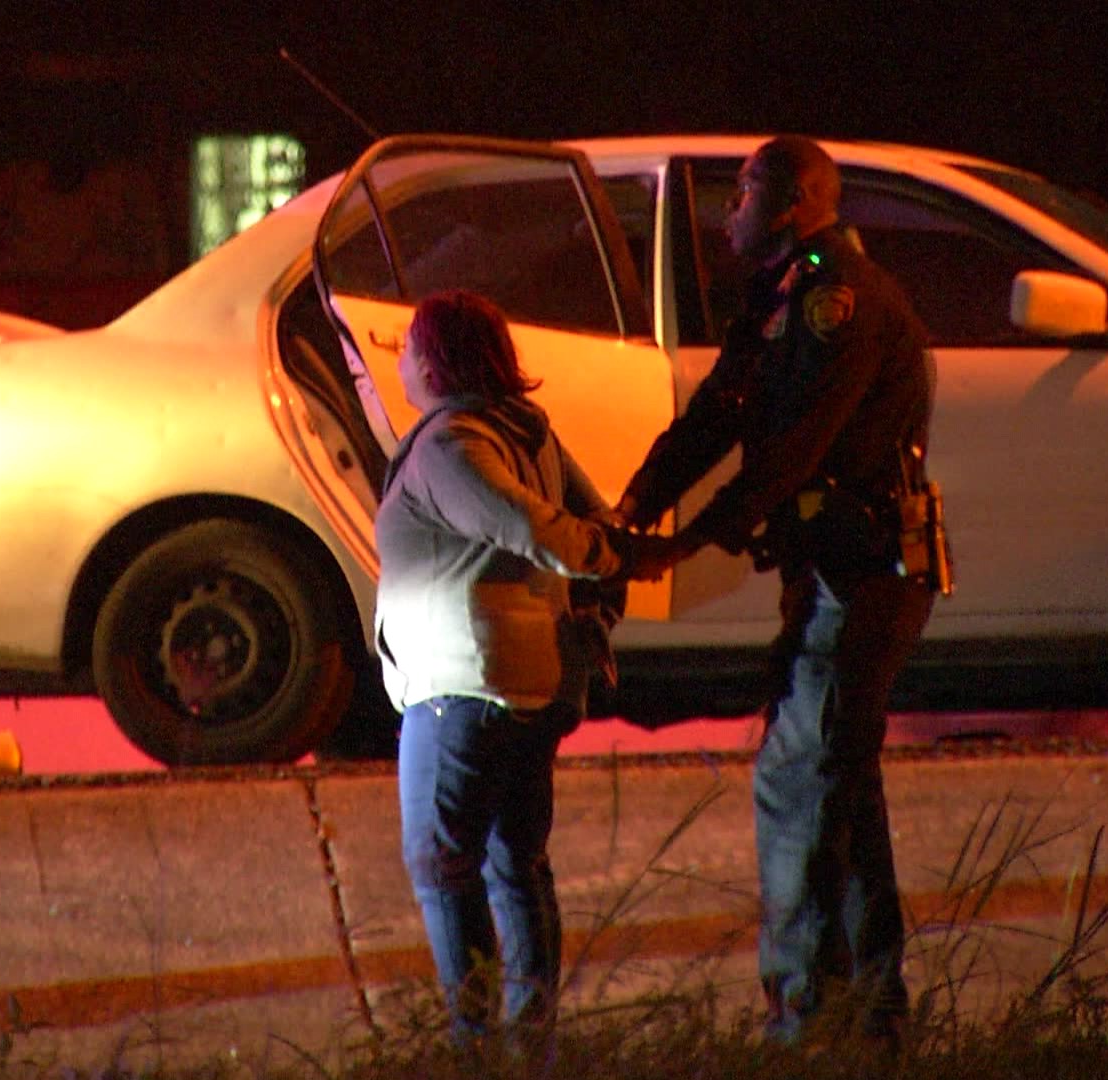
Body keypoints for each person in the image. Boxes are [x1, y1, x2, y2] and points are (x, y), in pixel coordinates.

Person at [611, 136, 943, 1047]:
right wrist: (639, 501)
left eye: (744, 192)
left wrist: (682, 546)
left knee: (796, 786)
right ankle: (875, 1021)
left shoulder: (840, 302)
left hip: (861, 576)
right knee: (841, 788)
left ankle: (803, 1022)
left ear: (795, 199)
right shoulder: (783, 295)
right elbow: (719, 409)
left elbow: (791, 448)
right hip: (834, 572)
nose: (730, 211)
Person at [374, 289, 640, 1051]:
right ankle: (534, 1041)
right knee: (515, 863)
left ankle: (476, 1044)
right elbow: (595, 517)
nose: (397, 363)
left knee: (443, 866)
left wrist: (603, 558)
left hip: (463, 686)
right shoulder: (528, 433)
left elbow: (533, 526)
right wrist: (608, 574)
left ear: (430, 359)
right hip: (532, 681)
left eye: (403, 349)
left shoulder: (449, 444)